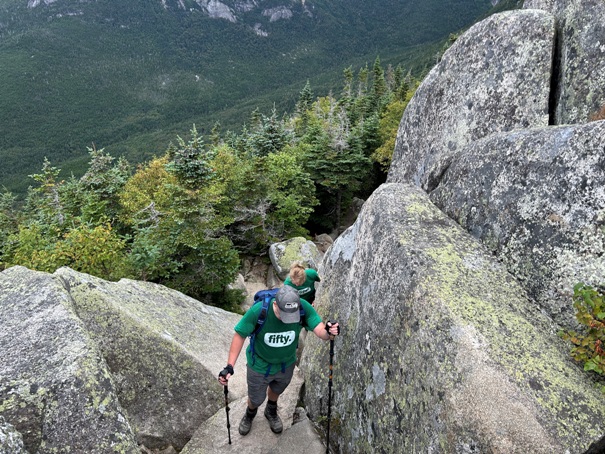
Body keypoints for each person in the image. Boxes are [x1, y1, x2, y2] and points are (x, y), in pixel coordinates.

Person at [217, 285, 340, 436]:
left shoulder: (302, 307)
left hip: (286, 364)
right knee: (255, 398)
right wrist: (230, 366)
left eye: (291, 315)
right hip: (259, 365)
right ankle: (250, 412)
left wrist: (329, 331)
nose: (288, 320)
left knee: (277, 389)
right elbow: (240, 334)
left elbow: (321, 332)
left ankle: (271, 409)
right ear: (275, 304)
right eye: (284, 314)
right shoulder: (259, 311)